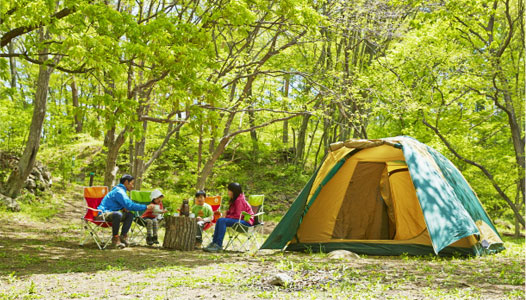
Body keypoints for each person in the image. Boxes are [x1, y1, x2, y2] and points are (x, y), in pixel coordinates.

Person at [96, 174, 154, 249]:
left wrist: (123, 207)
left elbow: (126, 205)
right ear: (126, 182)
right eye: (132, 183)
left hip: (111, 214)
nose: (132, 186)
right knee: (118, 214)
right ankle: (115, 238)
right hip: (103, 214)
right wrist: (146, 207)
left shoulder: (121, 191)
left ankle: (123, 236)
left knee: (130, 214)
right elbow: (129, 205)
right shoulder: (119, 191)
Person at [204, 182, 253, 252]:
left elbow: (238, 215)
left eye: (229, 190)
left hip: (246, 222)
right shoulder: (235, 199)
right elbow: (234, 212)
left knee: (222, 220)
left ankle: (218, 245)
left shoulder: (239, 200)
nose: (228, 192)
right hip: (240, 220)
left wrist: (227, 216)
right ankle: (214, 243)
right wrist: (227, 213)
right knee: (220, 220)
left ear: (234, 191)